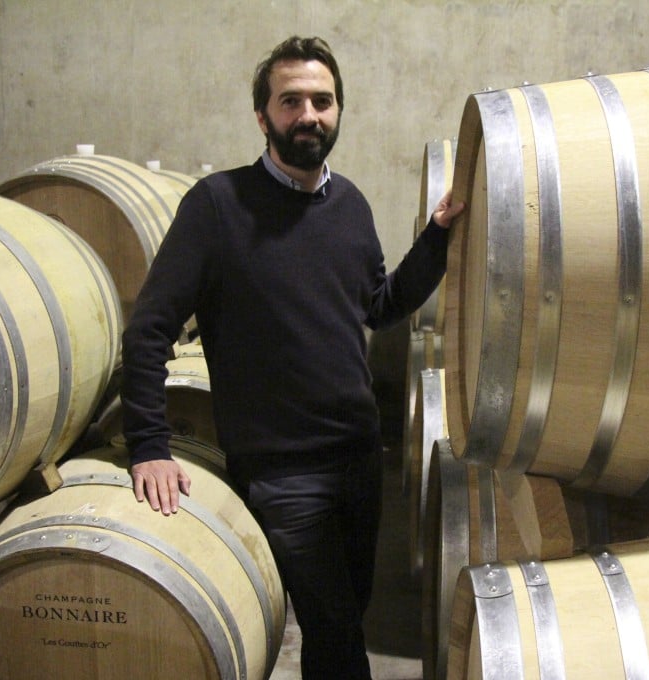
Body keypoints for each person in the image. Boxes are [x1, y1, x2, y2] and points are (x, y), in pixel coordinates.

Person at [121, 35, 464, 679]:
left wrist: (437, 239)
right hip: (282, 472)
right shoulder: (218, 206)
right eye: (291, 101)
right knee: (337, 634)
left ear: (338, 110)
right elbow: (147, 331)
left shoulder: (352, 205)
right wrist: (148, 446)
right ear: (263, 116)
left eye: (322, 101)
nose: (309, 115)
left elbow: (380, 306)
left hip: (360, 460)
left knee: (342, 623)